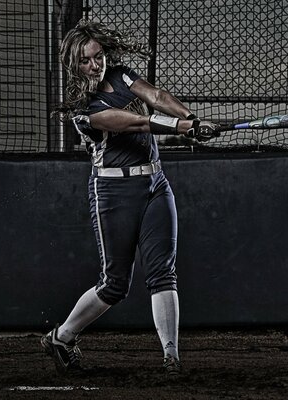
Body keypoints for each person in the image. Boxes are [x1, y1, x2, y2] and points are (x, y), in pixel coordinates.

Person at [41, 20, 219, 378]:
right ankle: (62, 337)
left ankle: (171, 357)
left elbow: (156, 97)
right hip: (113, 193)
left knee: (163, 272)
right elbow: (136, 123)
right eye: (88, 60)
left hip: (155, 184)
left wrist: (191, 118)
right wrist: (183, 129)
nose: (97, 64)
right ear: (74, 66)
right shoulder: (84, 108)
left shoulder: (122, 75)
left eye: (99, 55)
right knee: (114, 285)